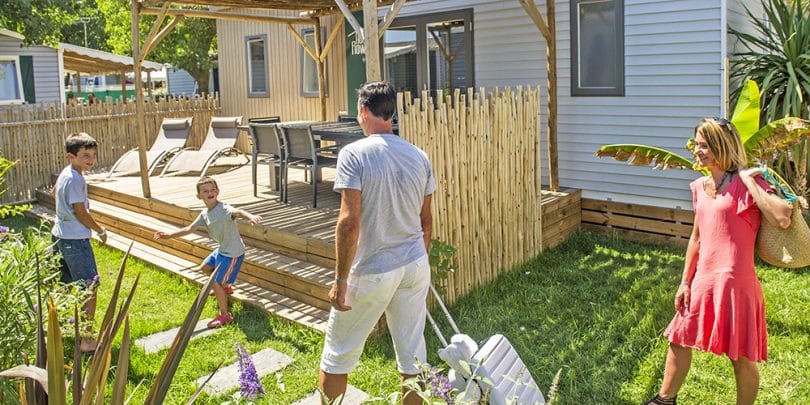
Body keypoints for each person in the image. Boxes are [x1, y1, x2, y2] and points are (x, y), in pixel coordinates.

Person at [645, 117, 793, 405]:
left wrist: (750, 180)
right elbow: (697, 238)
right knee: (679, 337)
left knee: (740, 357)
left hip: (736, 283)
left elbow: (782, 217)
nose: (698, 151)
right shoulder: (700, 186)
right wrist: (685, 281)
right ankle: (664, 400)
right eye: (697, 145)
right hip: (703, 279)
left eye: (705, 145)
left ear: (721, 146)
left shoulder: (749, 181)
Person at [319, 81, 435, 405]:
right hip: (414, 264)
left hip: (373, 268)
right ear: (392, 113)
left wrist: (341, 280)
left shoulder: (353, 154)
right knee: (412, 358)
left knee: (336, 356)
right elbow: (426, 221)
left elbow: (348, 223)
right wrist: (417, 260)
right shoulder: (419, 156)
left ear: (363, 111)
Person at [154, 176, 262, 329]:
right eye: (205, 191)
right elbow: (189, 229)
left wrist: (251, 217)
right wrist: (168, 235)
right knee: (205, 268)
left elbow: (237, 212)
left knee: (216, 282)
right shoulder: (205, 214)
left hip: (232, 253)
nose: (210, 193)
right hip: (222, 250)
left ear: (217, 191)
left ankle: (225, 315)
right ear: (199, 196)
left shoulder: (224, 209)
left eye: (212, 190)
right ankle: (224, 287)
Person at [51, 132, 108, 353]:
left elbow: (55, 192)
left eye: (93, 154)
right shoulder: (76, 179)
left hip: (60, 236)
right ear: (70, 156)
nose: (91, 159)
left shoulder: (66, 173)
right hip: (75, 240)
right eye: (85, 155)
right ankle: (86, 340)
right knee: (89, 288)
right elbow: (81, 213)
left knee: (67, 286)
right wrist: (100, 230)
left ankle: (68, 328)